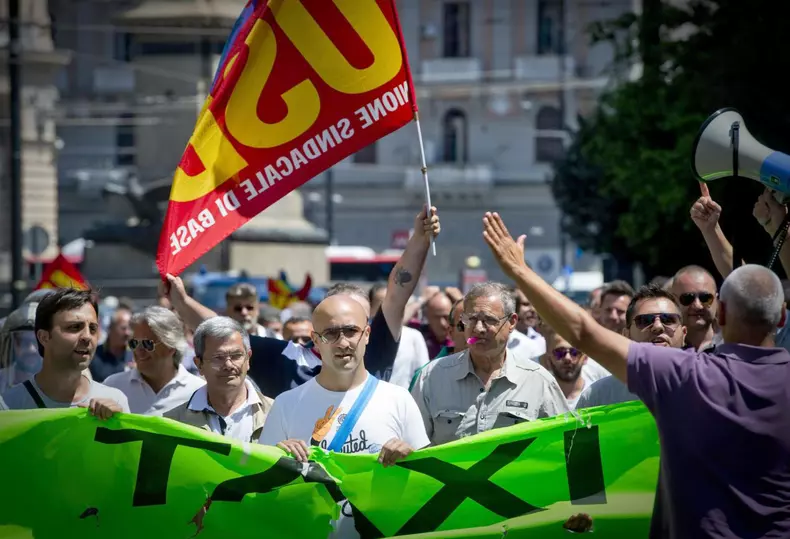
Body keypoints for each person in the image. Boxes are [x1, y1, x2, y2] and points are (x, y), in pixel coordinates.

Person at [483, 211, 790, 538]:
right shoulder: (619, 388)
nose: (658, 327)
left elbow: (582, 331)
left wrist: (519, 270)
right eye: (645, 321)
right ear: (782, 316)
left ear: (719, 314)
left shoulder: (688, 377)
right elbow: (582, 477)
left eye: (668, 320)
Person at [161, 206, 441, 398]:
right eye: (334, 328)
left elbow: (398, 292)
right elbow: (222, 332)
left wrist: (420, 239)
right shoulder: (287, 359)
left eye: (354, 327)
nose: (345, 340)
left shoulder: (378, 348)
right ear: (316, 329)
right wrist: (182, 302)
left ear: (367, 330)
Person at [260, 295, 428, 539]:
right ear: (315, 340)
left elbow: (426, 486)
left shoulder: (399, 399)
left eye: (351, 331)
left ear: (367, 334)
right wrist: (278, 459)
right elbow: (263, 490)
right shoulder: (286, 404)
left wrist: (410, 457)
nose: (343, 343)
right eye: (330, 333)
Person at [411, 282, 568, 446]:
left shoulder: (538, 381)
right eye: (471, 319)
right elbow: (413, 445)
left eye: (489, 320)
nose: (478, 329)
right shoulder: (432, 377)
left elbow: (563, 445)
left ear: (512, 322)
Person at [1, 288, 129, 415]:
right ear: (44, 337)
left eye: (93, 329)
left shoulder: (115, 401)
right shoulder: (7, 406)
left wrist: (117, 423)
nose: (87, 336)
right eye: (75, 327)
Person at [166, 317, 272, 443]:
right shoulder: (174, 423)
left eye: (236, 356)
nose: (228, 365)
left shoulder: (277, 413)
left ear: (248, 359)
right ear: (199, 364)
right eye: (218, 357)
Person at [104, 306, 205, 415]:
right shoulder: (113, 386)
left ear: (171, 347)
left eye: (147, 343)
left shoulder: (199, 392)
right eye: (134, 343)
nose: (139, 350)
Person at [368, 281, 429, 389]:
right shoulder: (363, 336)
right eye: (381, 304)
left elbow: (423, 374)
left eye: (393, 304)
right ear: (370, 308)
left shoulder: (414, 336)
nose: (388, 310)